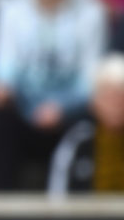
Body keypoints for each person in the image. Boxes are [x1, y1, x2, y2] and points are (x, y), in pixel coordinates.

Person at [0, 0, 109, 189]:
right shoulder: (11, 10)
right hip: (24, 107)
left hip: (72, 111)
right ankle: (0, 204)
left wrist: (61, 107)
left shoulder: (91, 12)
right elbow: (4, 67)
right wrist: (7, 90)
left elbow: (91, 77)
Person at [48, 52, 124, 193]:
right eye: (108, 96)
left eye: (121, 96)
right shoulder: (78, 140)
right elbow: (58, 197)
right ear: (94, 103)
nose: (116, 104)